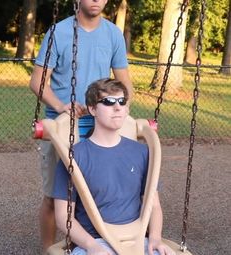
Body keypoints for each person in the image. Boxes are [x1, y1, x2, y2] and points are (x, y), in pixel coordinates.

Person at [29, 0, 132, 252]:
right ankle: (47, 249)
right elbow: (37, 81)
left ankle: (87, 244)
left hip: (99, 123)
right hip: (63, 126)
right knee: (55, 197)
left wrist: (116, 108)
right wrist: (61, 105)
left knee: (95, 194)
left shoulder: (113, 34)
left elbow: (126, 84)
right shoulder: (59, 32)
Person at [52, 78, 175, 255]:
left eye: (122, 101)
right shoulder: (74, 157)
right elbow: (63, 216)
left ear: (127, 109)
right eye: (109, 102)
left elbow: (154, 205)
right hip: (95, 241)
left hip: (138, 239)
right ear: (93, 109)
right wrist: (91, 246)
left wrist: (155, 238)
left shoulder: (141, 152)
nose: (117, 107)